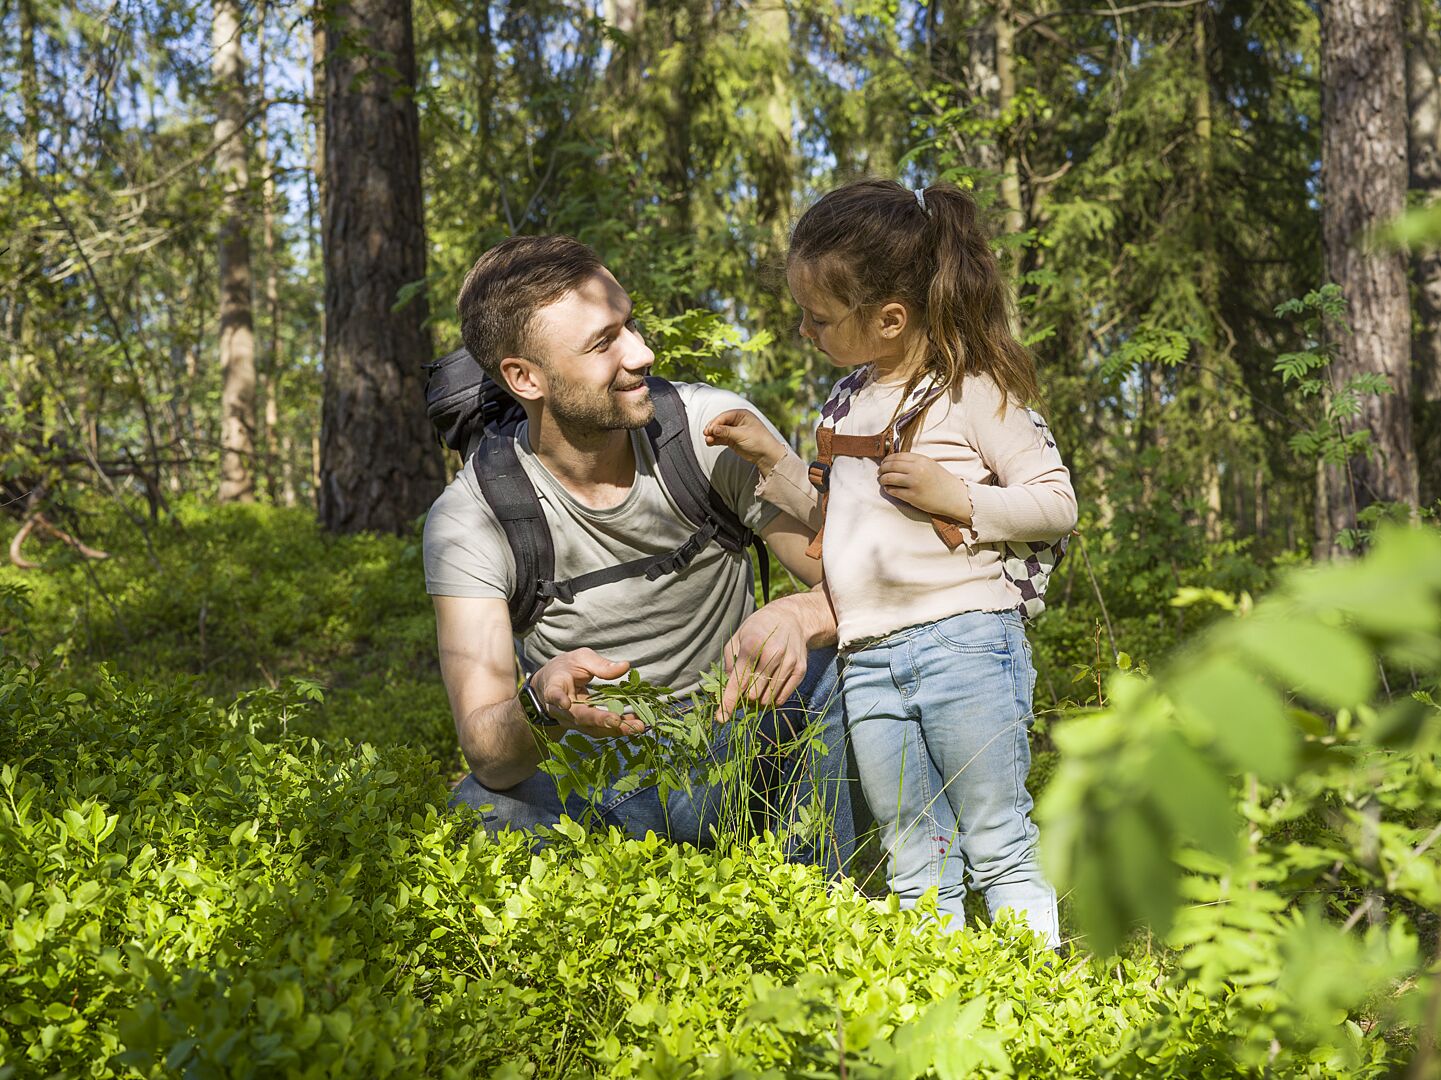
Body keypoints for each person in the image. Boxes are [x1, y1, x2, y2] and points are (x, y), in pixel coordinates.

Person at [705, 179, 1076, 947]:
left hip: (966, 644)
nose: (804, 329)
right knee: (912, 851)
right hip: (867, 658)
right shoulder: (844, 404)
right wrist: (771, 458)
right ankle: (931, 1000)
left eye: (817, 316)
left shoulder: (973, 391)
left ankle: (1040, 1000)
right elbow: (840, 529)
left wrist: (961, 496)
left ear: (889, 318)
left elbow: (1055, 504)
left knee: (996, 838)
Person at [423, 234, 854, 872]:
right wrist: (542, 704)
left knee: (867, 669)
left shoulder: (710, 436)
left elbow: (871, 588)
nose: (642, 353)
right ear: (524, 377)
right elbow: (489, 750)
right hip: (601, 784)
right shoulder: (471, 518)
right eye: (604, 343)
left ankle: (828, 903)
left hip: (744, 740)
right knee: (477, 819)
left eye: (631, 326)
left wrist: (801, 616)